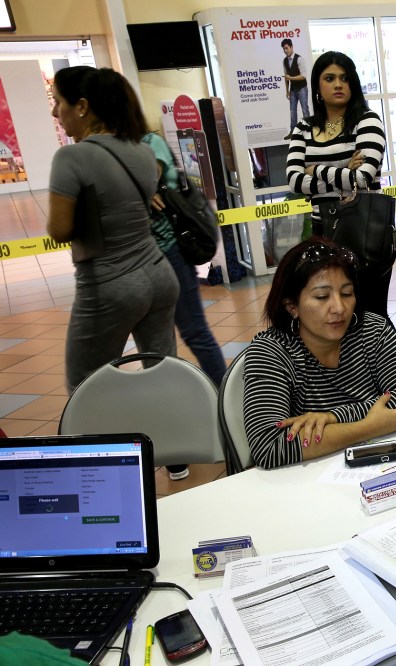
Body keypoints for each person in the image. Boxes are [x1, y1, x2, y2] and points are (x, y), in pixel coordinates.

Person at [242, 238, 396, 470]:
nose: (339, 308)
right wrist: (370, 427)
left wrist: (332, 418)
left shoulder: (372, 330)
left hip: (382, 467)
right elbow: (269, 446)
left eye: (347, 293)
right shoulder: (271, 351)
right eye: (322, 297)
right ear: (292, 306)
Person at [47, 66, 179, 393]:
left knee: (86, 388)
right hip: (159, 275)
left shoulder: (71, 157)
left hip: (109, 285)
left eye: (58, 101)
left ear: (81, 106)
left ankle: (106, 445)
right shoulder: (143, 151)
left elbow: (59, 229)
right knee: (163, 377)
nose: (55, 111)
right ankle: (170, 435)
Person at [142, 126, 228, 482]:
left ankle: (230, 409)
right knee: (154, 356)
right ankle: (171, 445)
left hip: (170, 254)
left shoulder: (148, 143)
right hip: (138, 262)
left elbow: (156, 179)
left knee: (194, 332)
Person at [286, 51, 390, 317]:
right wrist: (343, 169)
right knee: (330, 313)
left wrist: (316, 169)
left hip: (363, 227)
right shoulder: (303, 128)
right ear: (317, 86)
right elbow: (295, 181)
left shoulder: (367, 121)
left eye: (344, 78)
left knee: (368, 312)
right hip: (319, 231)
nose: (338, 84)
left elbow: (363, 178)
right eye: (329, 78)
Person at [281, 38, 309, 140]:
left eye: (286, 48)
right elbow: (286, 76)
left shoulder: (299, 59)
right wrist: (287, 91)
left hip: (302, 88)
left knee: (305, 110)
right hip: (293, 89)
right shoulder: (284, 61)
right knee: (292, 111)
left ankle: (308, 131)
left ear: (291, 47)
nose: (285, 50)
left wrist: (291, 78)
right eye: (284, 49)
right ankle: (292, 131)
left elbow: (303, 76)